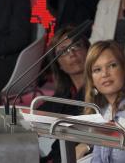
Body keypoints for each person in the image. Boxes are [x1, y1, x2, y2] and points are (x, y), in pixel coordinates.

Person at [38, 26, 90, 163]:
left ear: (88, 50)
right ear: (59, 64)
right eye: (64, 51)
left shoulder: (100, 90)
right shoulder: (64, 94)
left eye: (76, 46)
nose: (71, 53)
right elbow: (36, 115)